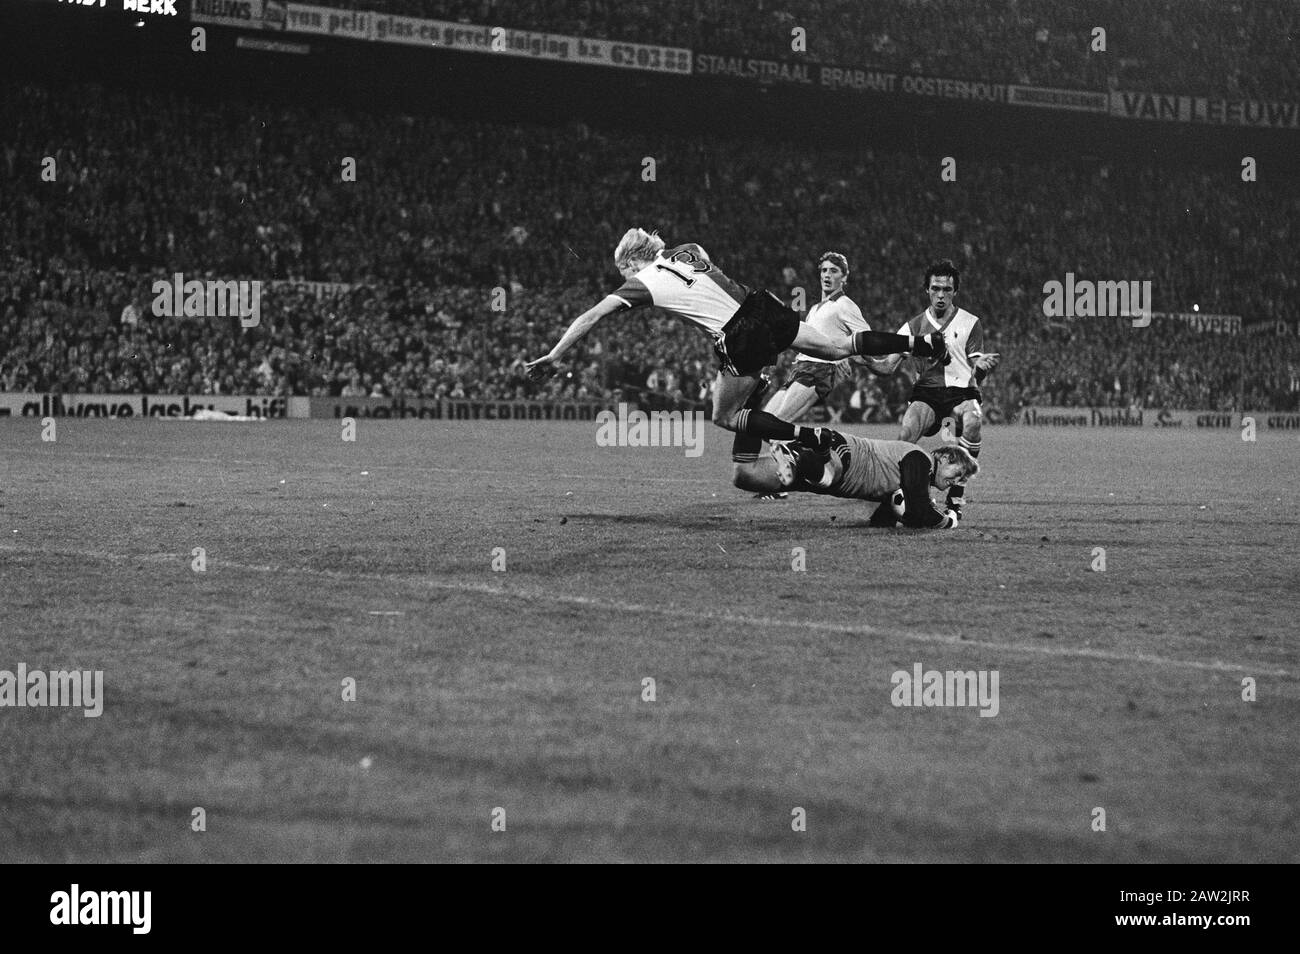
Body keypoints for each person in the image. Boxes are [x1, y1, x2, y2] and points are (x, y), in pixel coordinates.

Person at [525, 228, 945, 445]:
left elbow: (591, 315)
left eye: (625, 272)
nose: (627, 280)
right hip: (763, 304)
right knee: (837, 348)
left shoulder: (642, 282)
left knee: (724, 416)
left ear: (633, 262)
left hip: (737, 334)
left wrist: (555, 354)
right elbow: (705, 263)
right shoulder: (686, 249)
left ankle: (810, 437)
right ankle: (917, 344)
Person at [748, 250, 895, 499]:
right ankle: (817, 453)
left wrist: (869, 361)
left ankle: (786, 483)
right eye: (824, 270)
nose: (827, 275)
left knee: (777, 426)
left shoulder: (845, 305)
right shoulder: (816, 307)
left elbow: (865, 339)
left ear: (845, 277)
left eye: (834, 271)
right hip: (799, 369)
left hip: (820, 371)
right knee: (763, 423)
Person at [871, 259, 999, 518]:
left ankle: (955, 498)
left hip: (961, 392)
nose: (941, 295)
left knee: (974, 417)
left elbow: (976, 367)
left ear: (955, 292)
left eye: (947, 290)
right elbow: (886, 367)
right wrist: (862, 358)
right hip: (927, 394)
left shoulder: (970, 322)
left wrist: (982, 367)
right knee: (906, 434)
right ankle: (892, 499)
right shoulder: (913, 327)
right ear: (926, 290)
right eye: (936, 288)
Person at [730, 421, 978, 529]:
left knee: (744, 475)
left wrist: (896, 512)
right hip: (841, 454)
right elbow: (918, 512)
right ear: (944, 457)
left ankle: (750, 413)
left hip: (820, 472)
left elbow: (884, 520)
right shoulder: (919, 459)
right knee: (829, 475)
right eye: (959, 473)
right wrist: (949, 520)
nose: (957, 482)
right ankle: (811, 452)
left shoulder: (914, 478)